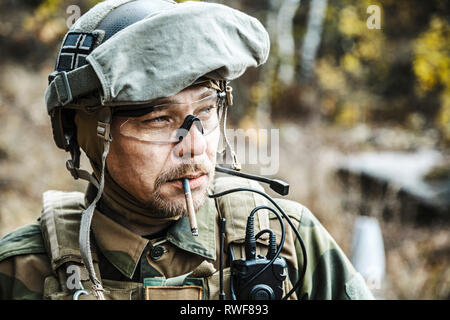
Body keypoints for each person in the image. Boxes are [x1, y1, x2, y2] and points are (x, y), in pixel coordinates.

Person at [0, 0, 373, 300]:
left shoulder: (287, 238)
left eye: (206, 111)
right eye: (159, 120)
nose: (194, 147)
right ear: (88, 134)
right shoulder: (20, 270)